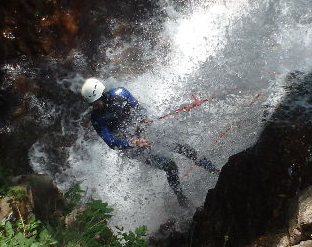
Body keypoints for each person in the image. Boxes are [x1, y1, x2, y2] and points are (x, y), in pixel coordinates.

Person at [81, 78, 219, 207]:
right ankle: (181, 198)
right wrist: (133, 143)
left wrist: (143, 121)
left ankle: (215, 171)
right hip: (131, 147)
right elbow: (111, 142)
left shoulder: (121, 93)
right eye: (91, 104)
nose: (94, 106)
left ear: (102, 94)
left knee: (185, 149)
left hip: (145, 132)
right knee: (170, 166)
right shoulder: (97, 118)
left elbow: (138, 108)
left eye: (96, 102)